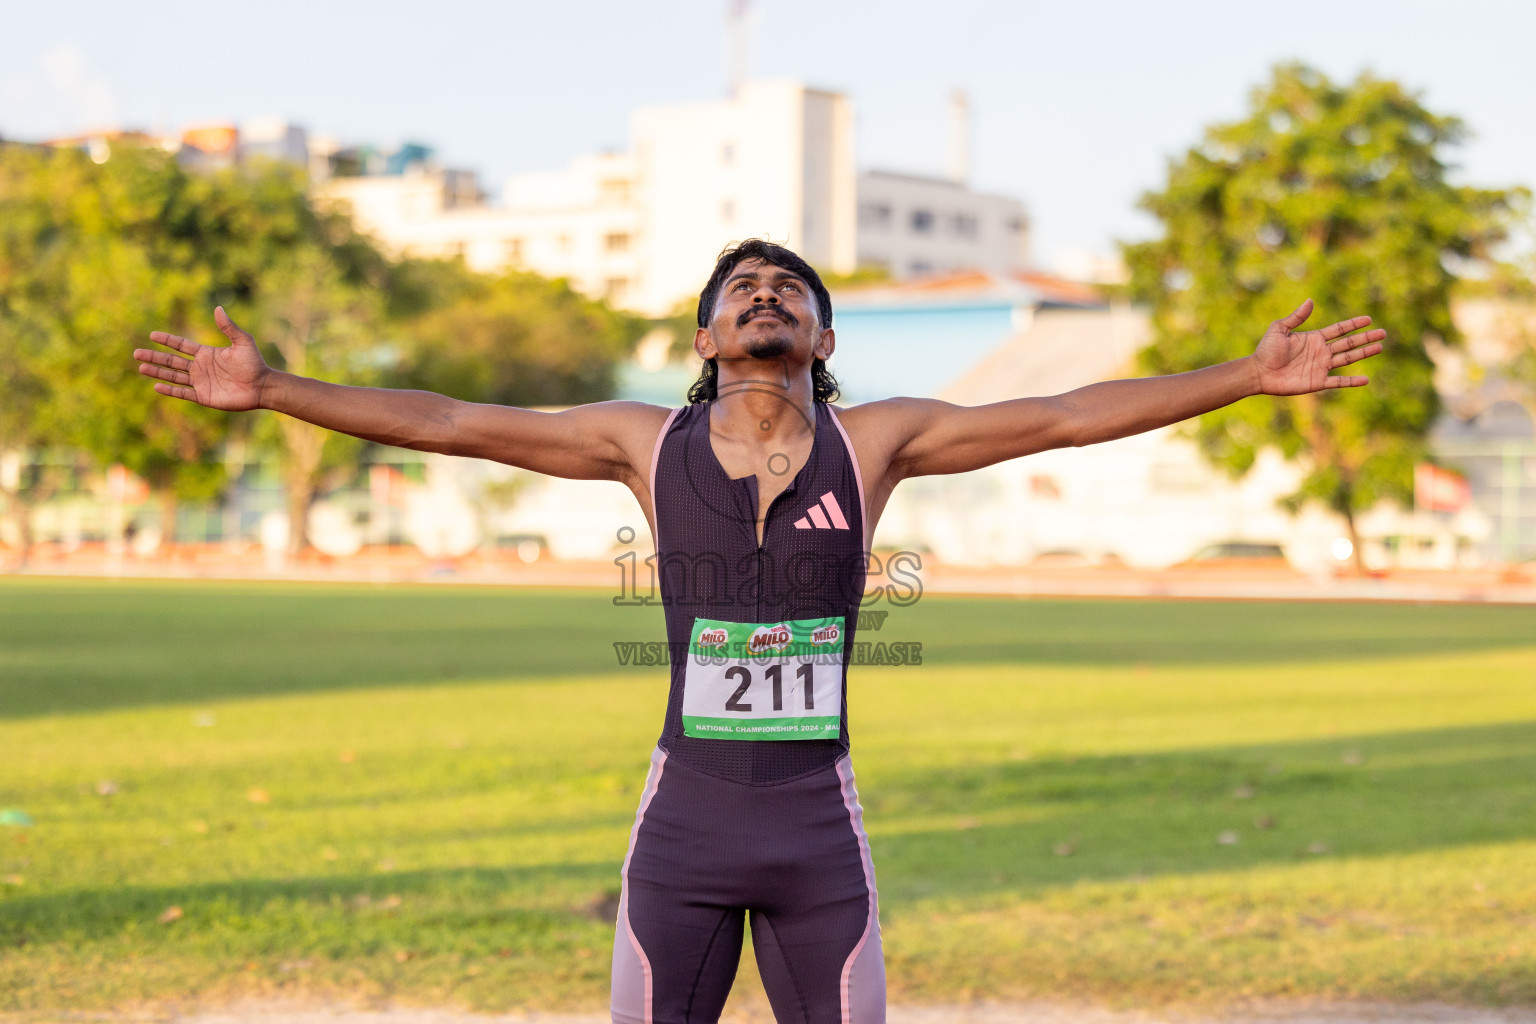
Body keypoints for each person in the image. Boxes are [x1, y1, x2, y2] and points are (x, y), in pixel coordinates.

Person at [135, 238, 1384, 1024]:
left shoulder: (877, 441)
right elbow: (454, 419)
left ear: (823, 339)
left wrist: (1243, 374)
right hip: (679, 831)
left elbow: (1062, 414)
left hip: (815, 841)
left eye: (789, 288)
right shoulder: (639, 442)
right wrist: (280, 391)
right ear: (707, 338)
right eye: (743, 288)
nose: (766, 294)